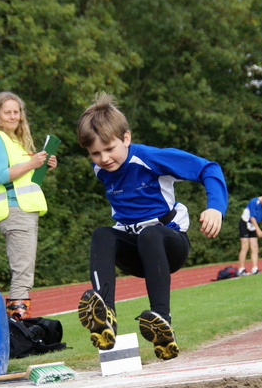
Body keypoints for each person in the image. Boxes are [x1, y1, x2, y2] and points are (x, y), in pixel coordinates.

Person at [76, 93, 228, 360]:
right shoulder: (100, 168)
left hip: (169, 245)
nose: (104, 159)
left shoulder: (150, 157)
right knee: (102, 234)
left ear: (126, 138)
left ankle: (162, 320)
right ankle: (105, 316)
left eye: (110, 149)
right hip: (135, 253)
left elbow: (208, 168)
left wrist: (216, 207)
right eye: (95, 153)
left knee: (148, 234)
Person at [0, 91, 57, 319]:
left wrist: (42, 164)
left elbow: (24, 176)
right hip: (14, 211)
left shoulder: (14, 140)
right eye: (8, 112)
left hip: (25, 210)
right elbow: (1, 176)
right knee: (22, 273)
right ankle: (18, 329)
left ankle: (19, 328)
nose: (14, 116)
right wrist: (31, 162)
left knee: (25, 272)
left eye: (17, 112)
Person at [238, 193, 262, 275]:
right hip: (245, 223)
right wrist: (258, 230)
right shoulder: (253, 202)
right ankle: (241, 269)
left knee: (254, 247)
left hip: (252, 225)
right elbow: (252, 217)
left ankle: (255, 268)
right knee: (245, 246)